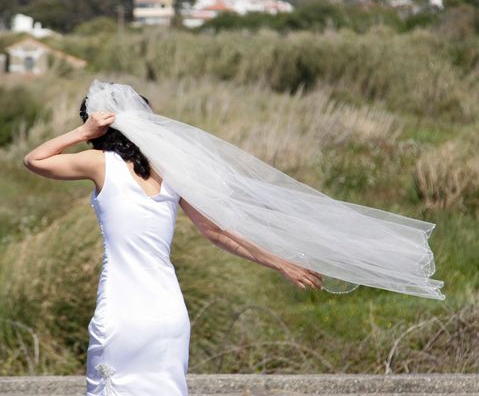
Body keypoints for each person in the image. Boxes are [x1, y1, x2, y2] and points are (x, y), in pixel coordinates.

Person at [22, 94, 323, 396]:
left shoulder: (99, 163)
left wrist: (83, 133)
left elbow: (34, 160)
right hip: (167, 311)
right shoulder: (171, 171)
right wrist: (281, 263)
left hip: (122, 308)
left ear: (101, 126)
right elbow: (218, 232)